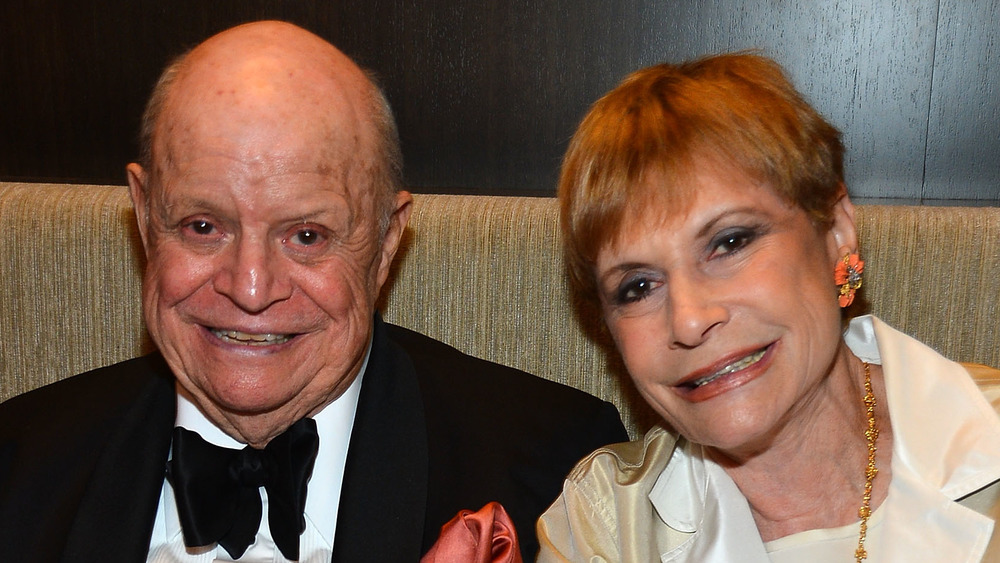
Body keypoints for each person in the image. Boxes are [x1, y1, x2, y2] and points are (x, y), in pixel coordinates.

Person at [0, 21, 628, 562]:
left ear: (386, 244)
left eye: (306, 235)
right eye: (202, 226)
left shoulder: (561, 477)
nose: (250, 288)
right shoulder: (18, 470)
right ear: (143, 218)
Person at [536, 52, 1000, 561]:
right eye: (638, 287)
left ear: (837, 231)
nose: (689, 320)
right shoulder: (606, 523)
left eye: (729, 243)